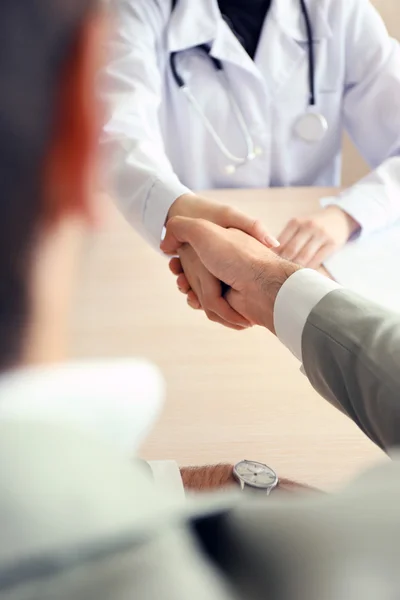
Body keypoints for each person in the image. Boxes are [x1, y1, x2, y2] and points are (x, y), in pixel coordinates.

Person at [2, 1, 400, 599]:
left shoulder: (338, 13)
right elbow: (124, 135)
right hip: (190, 279)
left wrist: (328, 232)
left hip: (224, 262)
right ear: (81, 127)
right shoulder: (344, 562)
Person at [100, 0, 400, 329]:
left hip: (308, 270)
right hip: (179, 268)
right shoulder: (136, 10)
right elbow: (115, 133)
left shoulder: (337, 10)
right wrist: (179, 212)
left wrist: (348, 215)